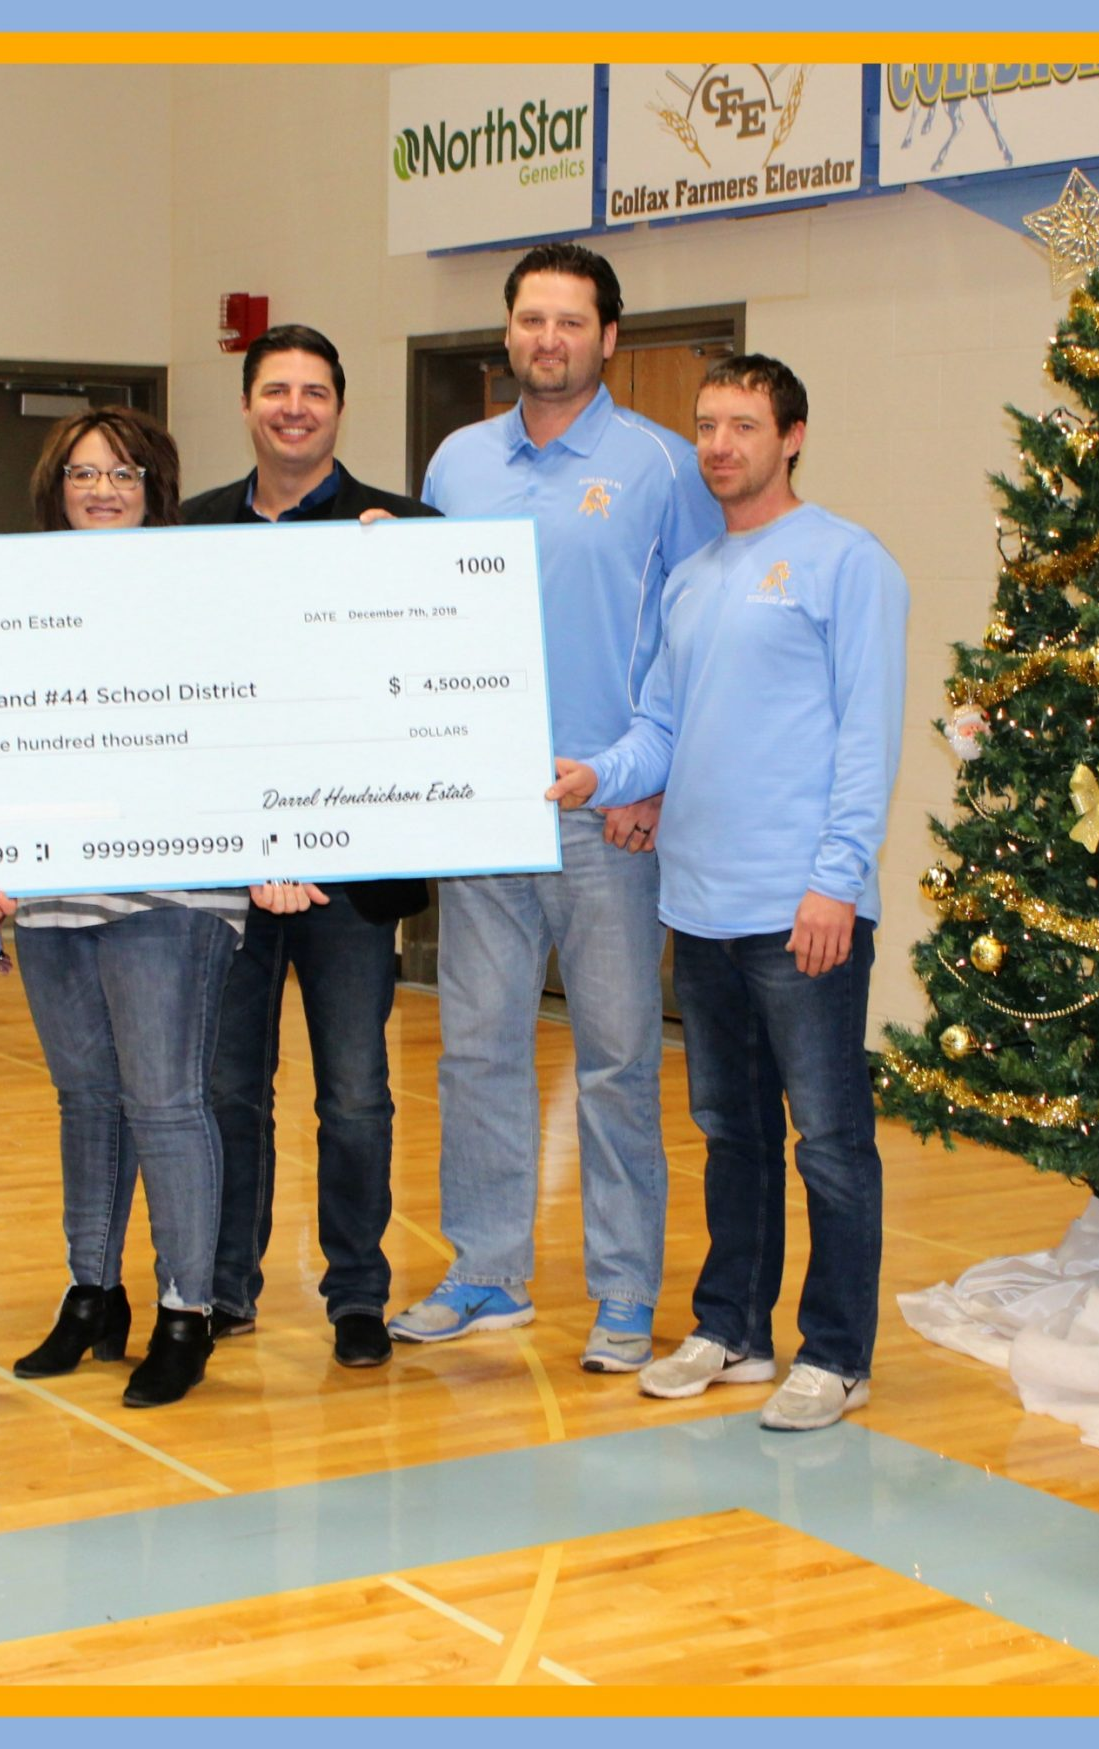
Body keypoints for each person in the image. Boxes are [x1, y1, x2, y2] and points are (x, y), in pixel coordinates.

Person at [548, 353, 907, 1431]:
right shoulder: (693, 578)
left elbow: (867, 737)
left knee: (828, 1141)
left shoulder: (848, 561)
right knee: (730, 1131)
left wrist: (835, 881)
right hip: (696, 908)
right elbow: (661, 727)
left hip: (801, 910)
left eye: (743, 425)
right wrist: (597, 775)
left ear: (791, 437)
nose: (718, 445)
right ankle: (735, 1329)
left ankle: (836, 1354)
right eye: (706, 424)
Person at [396, 242, 723, 1370]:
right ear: (507, 332)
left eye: (571, 322)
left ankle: (625, 1291)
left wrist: (654, 780)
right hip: (483, 809)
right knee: (476, 1051)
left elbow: (692, 636)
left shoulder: (663, 466)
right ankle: (486, 1268)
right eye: (532, 320)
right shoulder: (455, 464)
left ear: (608, 339)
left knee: (618, 1062)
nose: (549, 340)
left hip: (607, 816)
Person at [0, 405, 316, 1409]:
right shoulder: (16, 600)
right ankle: (93, 1293)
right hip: (52, 892)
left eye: (123, 474)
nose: (102, 491)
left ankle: (185, 1310)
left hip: (173, 890)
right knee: (85, 1100)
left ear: (156, 490)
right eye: (84, 474)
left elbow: (253, 718)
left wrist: (278, 840)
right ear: (56, 489)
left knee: (165, 1101)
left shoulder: (203, 593)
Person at [180, 325, 435, 1369]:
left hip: (352, 881)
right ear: (246, 404)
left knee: (356, 1096)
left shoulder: (404, 532)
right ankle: (226, 1286)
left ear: (340, 406)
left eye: (314, 391)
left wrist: (404, 582)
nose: (295, 407)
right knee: (227, 1092)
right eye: (276, 389)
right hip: (226, 875)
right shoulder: (186, 530)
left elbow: (442, 679)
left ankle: (358, 1295)